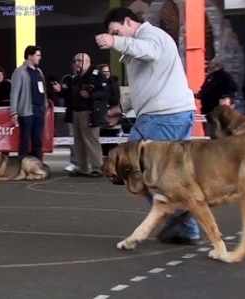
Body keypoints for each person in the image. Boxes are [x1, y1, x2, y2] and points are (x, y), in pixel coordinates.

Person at [97, 7, 200, 245]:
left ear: (128, 21)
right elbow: (149, 86)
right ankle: (183, 223)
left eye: (117, 31)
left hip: (163, 117)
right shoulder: (145, 41)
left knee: (133, 168)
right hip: (168, 115)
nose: (116, 38)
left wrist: (114, 41)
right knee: (158, 175)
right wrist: (122, 110)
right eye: (113, 35)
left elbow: (150, 52)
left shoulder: (151, 37)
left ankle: (181, 217)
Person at [67, 53, 109, 178]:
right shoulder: (76, 76)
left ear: (87, 61)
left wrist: (90, 95)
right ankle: (83, 167)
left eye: (80, 61)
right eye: (76, 61)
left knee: (91, 140)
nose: (77, 63)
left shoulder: (96, 75)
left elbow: (104, 93)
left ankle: (97, 167)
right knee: (79, 141)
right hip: (76, 111)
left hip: (89, 112)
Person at [10, 45, 47, 160]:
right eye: (37, 55)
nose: (40, 58)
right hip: (27, 111)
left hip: (39, 109)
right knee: (25, 139)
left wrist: (44, 105)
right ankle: (22, 164)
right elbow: (14, 93)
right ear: (30, 56)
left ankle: (37, 164)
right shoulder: (19, 72)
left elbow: (43, 90)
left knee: (38, 140)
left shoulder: (39, 72)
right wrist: (14, 111)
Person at [195, 57, 237, 137]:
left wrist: (226, 98)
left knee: (217, 134)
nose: (208, 65)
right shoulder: (210, 77)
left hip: (218, 113)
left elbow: (231, 89)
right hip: (207, 111)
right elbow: (205, 90)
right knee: (208, 134)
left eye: (211, 63)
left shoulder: (225, 77)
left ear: (217, 65)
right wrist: (197, 95)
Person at [97, 63, 121, 156]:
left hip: (113, 116)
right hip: (101, 117)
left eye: (108, 71)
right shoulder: (97, 84)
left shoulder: (114, 83)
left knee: (113, 140)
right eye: (104, 72)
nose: (107, 73)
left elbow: (117, 99)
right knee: (102, 140)